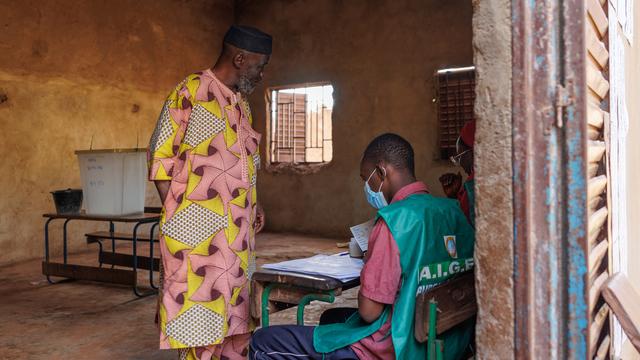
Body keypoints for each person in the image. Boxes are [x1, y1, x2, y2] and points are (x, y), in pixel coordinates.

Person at [250, 134, 475, 360]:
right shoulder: (452, 210)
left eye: (366, 179)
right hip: (444, 341)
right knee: (332, 317)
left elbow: (369, 312)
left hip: (393, 347)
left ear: (381, 172)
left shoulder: (392, 221)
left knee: (263, 341)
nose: (366, 187)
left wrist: (372, 265)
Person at [147, 25, 272, 360]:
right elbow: (160, 159)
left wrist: (254, 202)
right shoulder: (190, 91)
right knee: (201, 326)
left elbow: (247, 162)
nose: (261, 74)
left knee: (237, 323)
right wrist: (181, 218)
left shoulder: (243, 104)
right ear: (240, 58)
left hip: (238, 240)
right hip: (198, 240)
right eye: (259, 66)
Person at [439, 120, 475, 228]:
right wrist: (453, 196)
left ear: (471, 153)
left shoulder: (474, 186)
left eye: (459, 157)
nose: (461, 164)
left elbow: (462, 228)